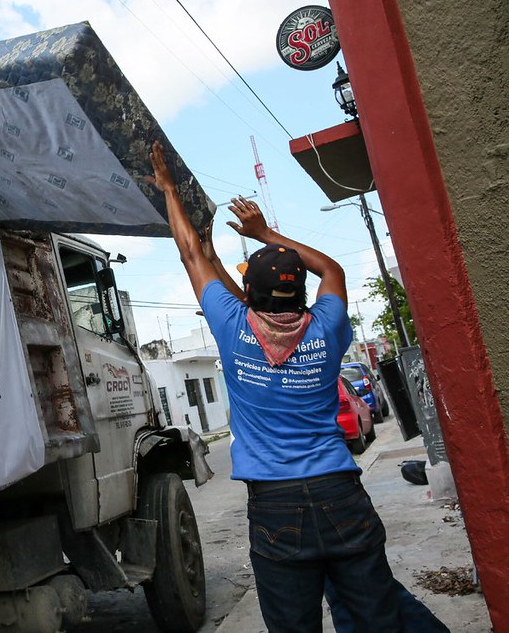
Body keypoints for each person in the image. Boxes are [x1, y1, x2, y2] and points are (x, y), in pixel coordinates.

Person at [147, 140, 445, 632]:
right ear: (302, 294)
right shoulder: (326, 326)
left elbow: (187, 253)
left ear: (250, 296)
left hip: (276, 504)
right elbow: (333, 269)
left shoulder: (234, 325)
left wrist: (168, 188)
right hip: (341, 494)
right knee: (378, 618)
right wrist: (265, 233)